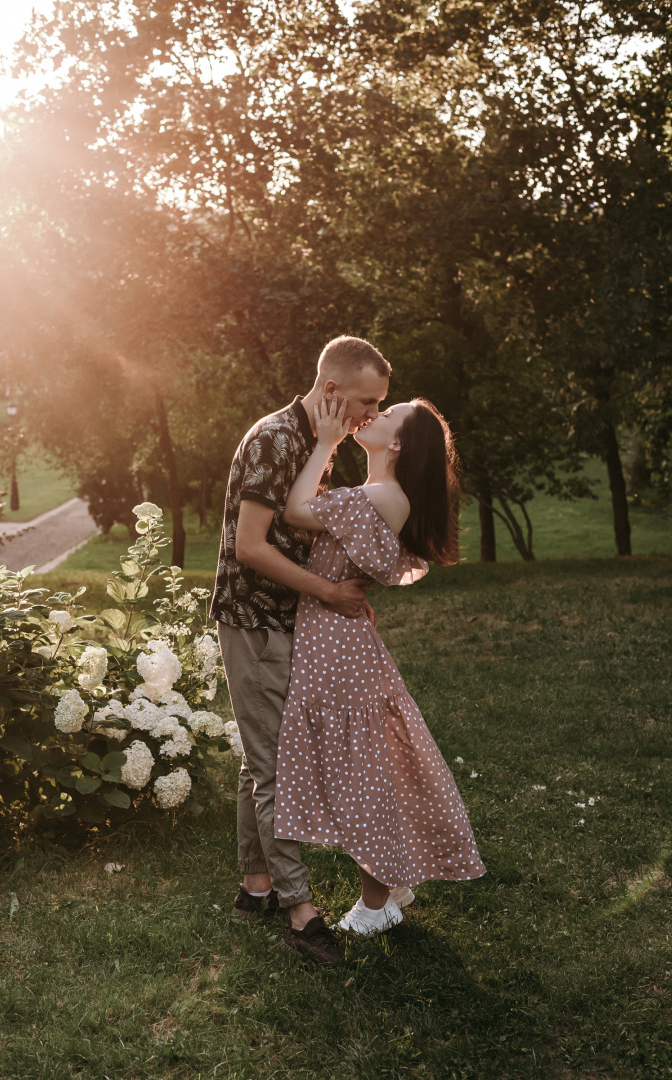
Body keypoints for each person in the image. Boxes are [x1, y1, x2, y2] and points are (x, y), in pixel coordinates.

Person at [275, 393, 486, 936]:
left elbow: (297, 511)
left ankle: (377, 901)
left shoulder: (383, 494)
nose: (376, 413)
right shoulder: (377, 493)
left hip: (337, 648)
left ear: (396, 443)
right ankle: (389, 883)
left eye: (388, 415)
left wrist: (324, 442)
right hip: (337, 639)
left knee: (362, 774)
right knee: (360, 767)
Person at [211, 335, 391, 967]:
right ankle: (300, 911)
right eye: (367, 401)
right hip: (255, 619)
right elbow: (251, 548)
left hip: (290, 621)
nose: (372, 414)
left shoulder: (321, 444)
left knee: (262, 755)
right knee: (275, 767)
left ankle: (255, 886)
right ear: (334, 390)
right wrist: (331, 593)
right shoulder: (274, 440)